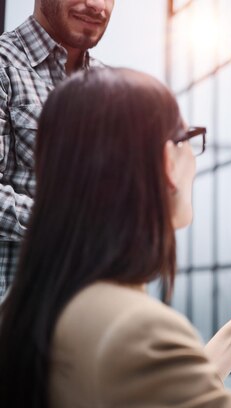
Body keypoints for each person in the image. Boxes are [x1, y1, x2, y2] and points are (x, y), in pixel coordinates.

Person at [0, 67, 231, 407]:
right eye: (188, 138)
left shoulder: (29, 306)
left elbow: (163, 393)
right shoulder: (137, 330)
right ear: (167, 162)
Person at [0, 0, 115, 299]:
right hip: (12, 321)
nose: (97, 5)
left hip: (90, 318)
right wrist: (66, 225)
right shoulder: (3, 66)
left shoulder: (113, 88)